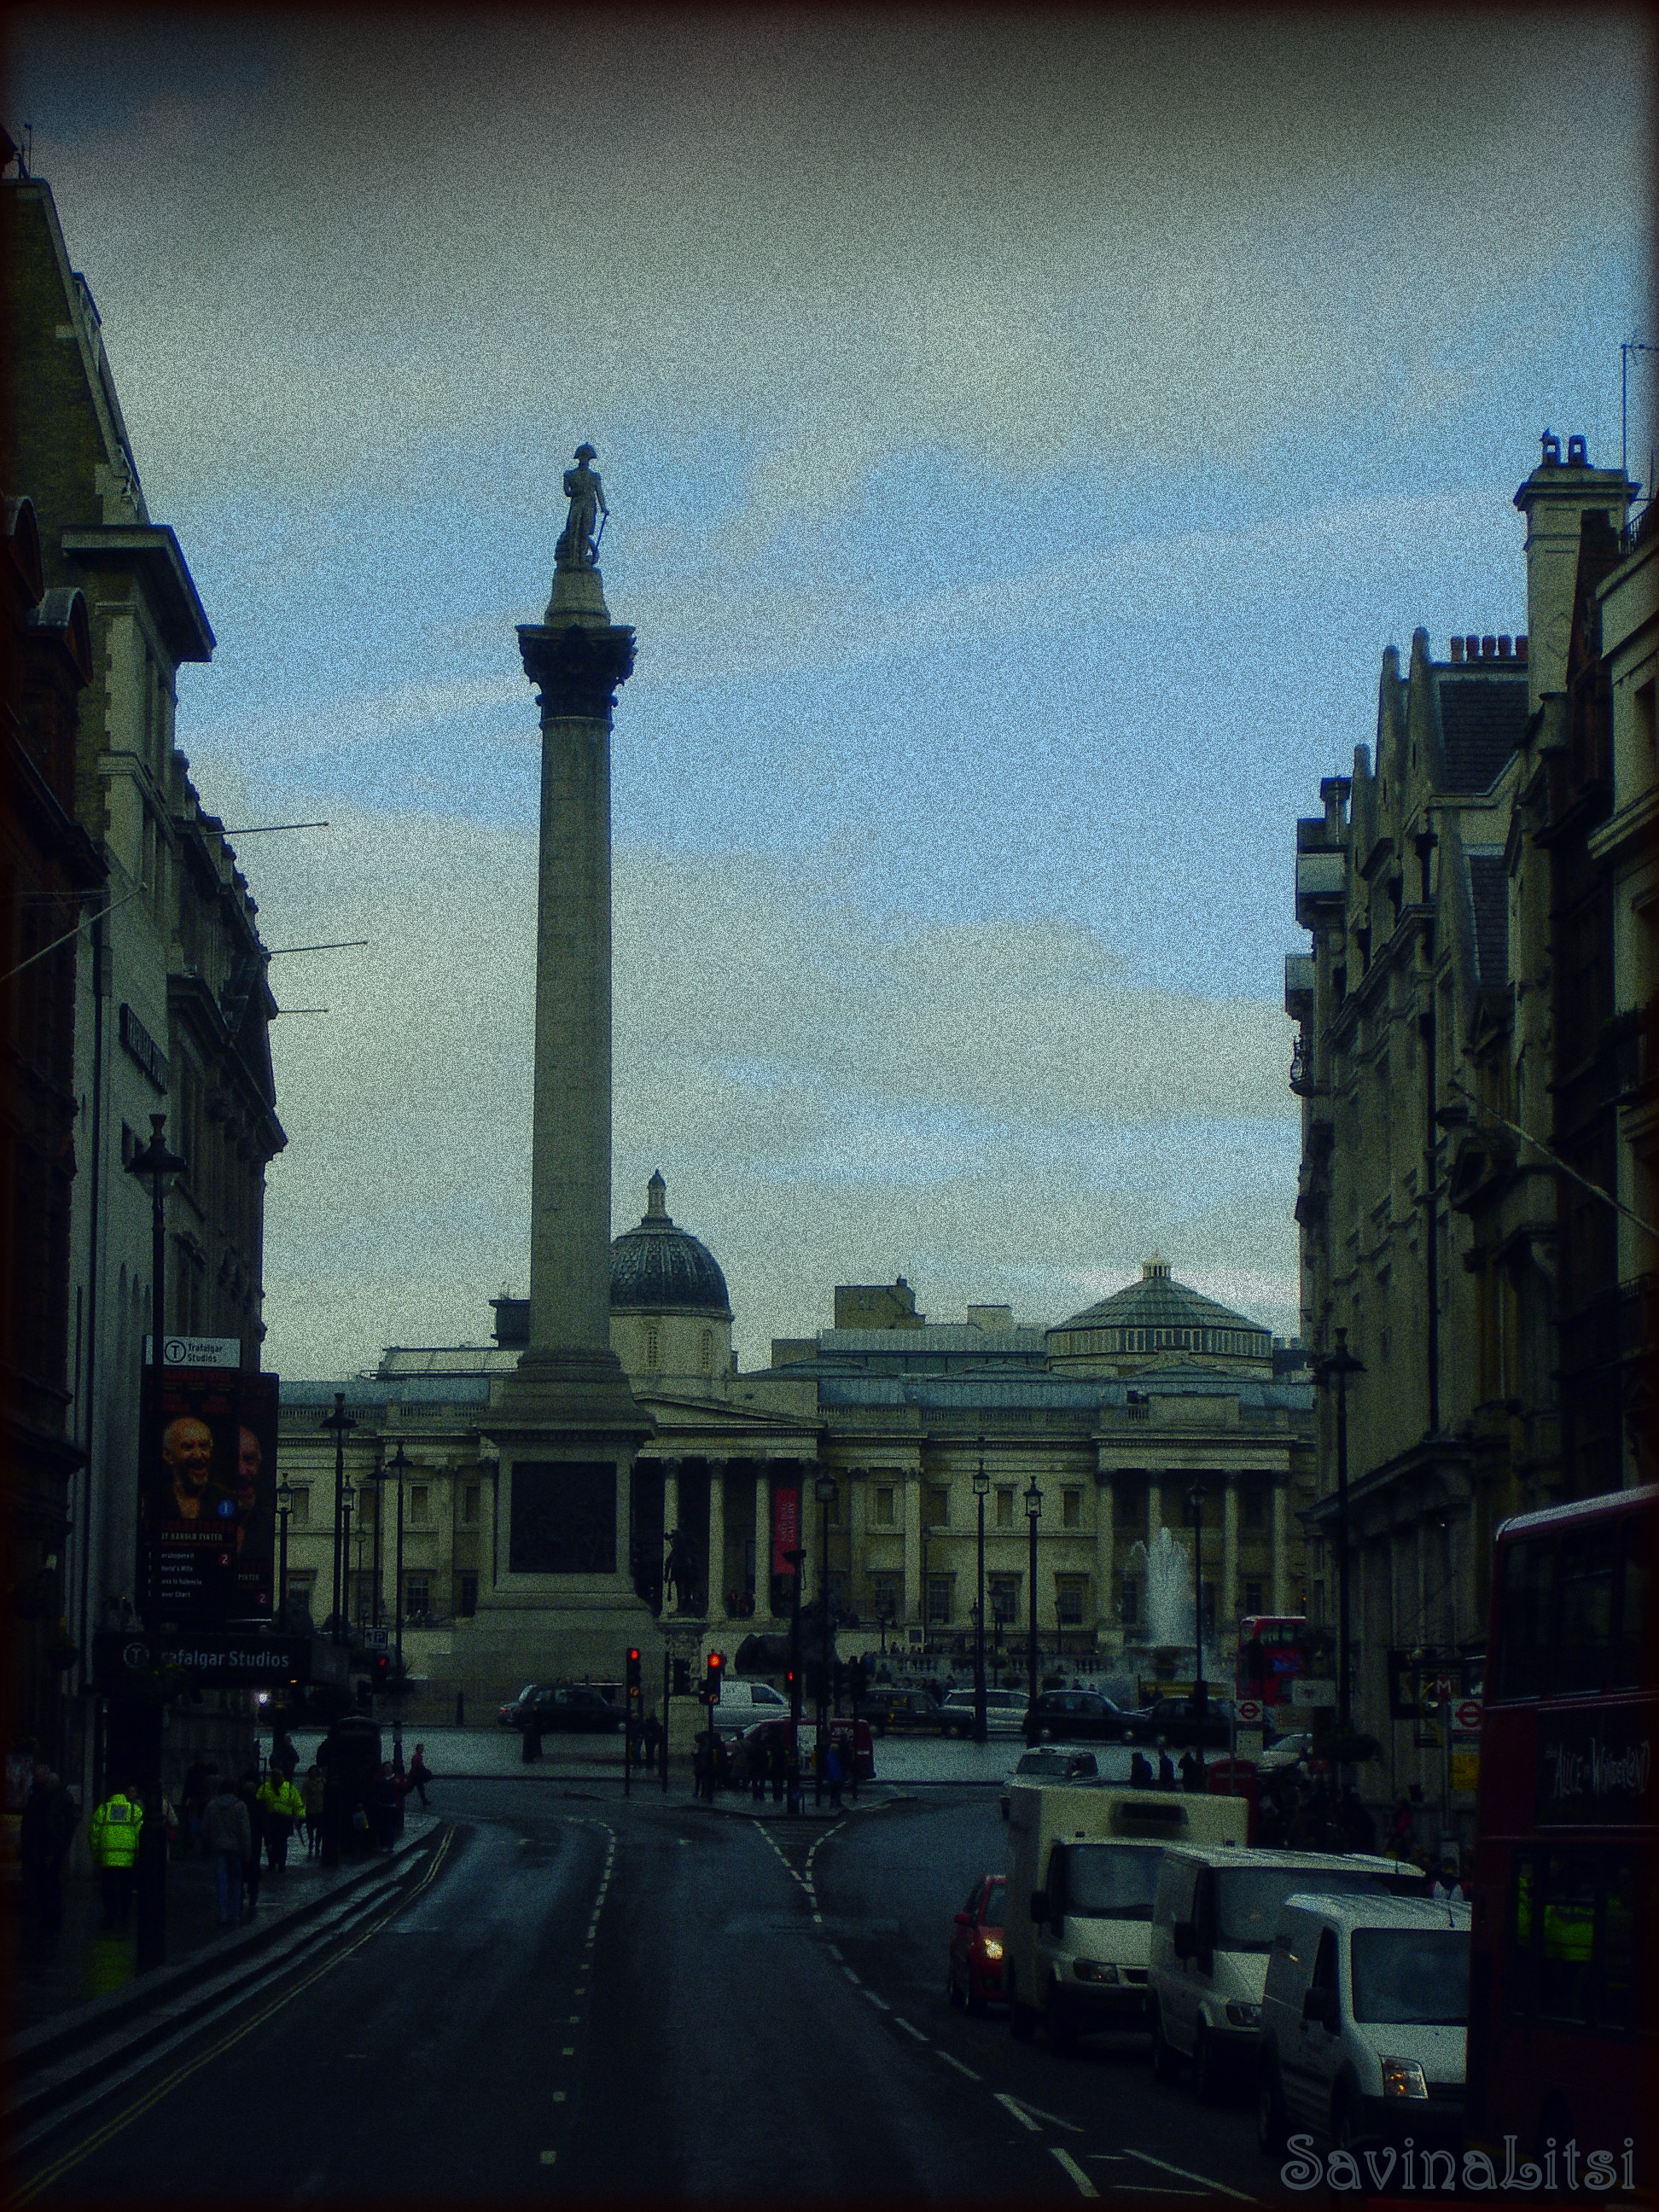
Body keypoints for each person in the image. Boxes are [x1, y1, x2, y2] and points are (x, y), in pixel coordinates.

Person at [20, 1766, 77, 1939]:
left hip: (48, 1848)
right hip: (40, 1847)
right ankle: (47, 1918)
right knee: (43, 1884)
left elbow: (59, 1826)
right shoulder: (41, 1796)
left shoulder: (54, 1797)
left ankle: (51, 1919)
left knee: (50, 1884)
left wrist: (55, 1849)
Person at [89, 1781, 143, 1926]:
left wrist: (97, 1855)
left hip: (107, 1859)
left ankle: (109, 1916)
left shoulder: (104, 1810)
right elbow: (140, 1835)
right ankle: (124, 1914)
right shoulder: (134, 1810)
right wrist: (137, 1855)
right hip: (128, 1859)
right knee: (126, 1888)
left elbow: (94, 1834)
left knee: (108, 1889)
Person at [202, 1778, 251, 1926]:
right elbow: (245, 1830)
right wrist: (247, 1850)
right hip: (235, 1847)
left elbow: (205, 1827)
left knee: (221, 1880)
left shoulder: (212, 1806)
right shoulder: (240, 1806)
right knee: (235, 1880)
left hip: (217, 1846)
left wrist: (205, 1843)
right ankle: (234, 1913)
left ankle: (223, 1912)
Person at [258, 1767, 303, 1871]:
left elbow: (297, 1803)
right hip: (272, 1819)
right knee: (272, 1842)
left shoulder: (288, 1787)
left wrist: (300, 1817)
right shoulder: (266, 1787)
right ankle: (273, 1863)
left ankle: (280, 1863)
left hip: (284, 1819)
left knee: (281, 1842)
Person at [236, 1770, 265, 1917]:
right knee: (253, 1869)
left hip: (241, 1841)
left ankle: (240, 1894)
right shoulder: (258, 1805)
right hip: (255, 1841)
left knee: (240, 1868)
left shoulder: (239, 1805)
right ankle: (253, 1895)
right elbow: (263, 1824)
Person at [301, 1763, 325, 1856]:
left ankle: (317, 1845)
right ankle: (311, 1843)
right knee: (310, 1829)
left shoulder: (322, 1781)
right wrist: (302, 1805)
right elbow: (304, 1795)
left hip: (320, 1808)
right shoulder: (307, 1783)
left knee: (319, 1830)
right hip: (311, 1809)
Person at [407, 1743, 433, 1809]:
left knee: (420, 1788)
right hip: (416, 1775)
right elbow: (416, 1766)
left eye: (422, 1748)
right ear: (418, 1749)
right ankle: (424, 1801)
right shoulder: (417, 1757)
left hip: (416, 1775)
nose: (422, 1750)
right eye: (421, 1749)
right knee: (410, 1788)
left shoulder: (418, 1756)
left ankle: (424, 1801)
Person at [825, 1740, 844, 1810]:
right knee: (836, 1790)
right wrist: (835, 1776)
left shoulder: (831, 1756)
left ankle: (834, 1802)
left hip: (834, 1776)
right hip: (835, 1777)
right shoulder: (832, 1757)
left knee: (834, 1790)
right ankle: (836, 1802)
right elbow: (833, 1767)